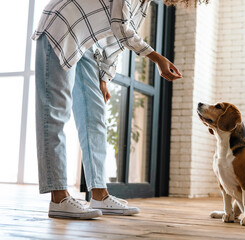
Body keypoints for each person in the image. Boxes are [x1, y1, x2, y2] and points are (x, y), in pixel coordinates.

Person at [32, 0, 206, 220]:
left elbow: (117, 41)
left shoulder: (144, 4)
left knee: (95, 118)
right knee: (55, 113)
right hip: (62, 25)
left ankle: (99, 194)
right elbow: (121, 27)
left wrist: (104, 78)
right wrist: (157, 58)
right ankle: (58, 198)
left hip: (87, 43)